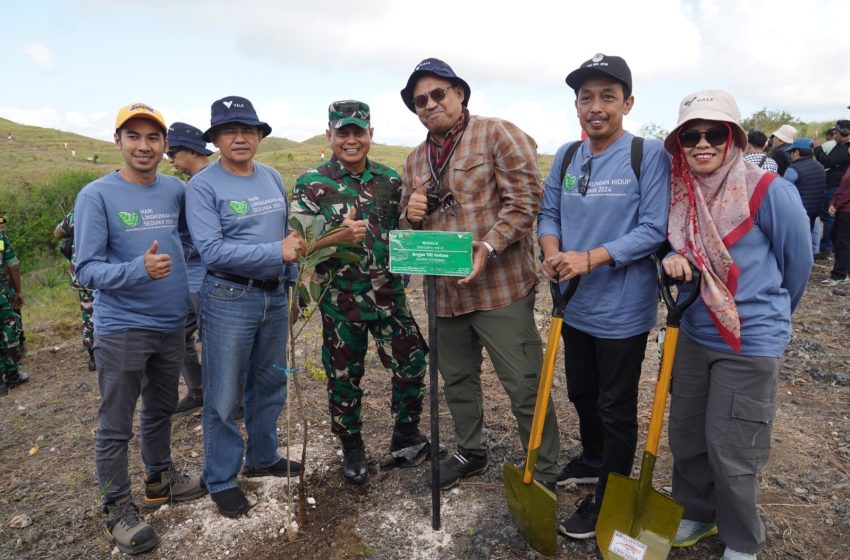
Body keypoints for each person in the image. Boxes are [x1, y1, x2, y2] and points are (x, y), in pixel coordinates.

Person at [661, 90, 812, 560]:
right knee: (686, 433)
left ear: (735, 138)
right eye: (691, 135)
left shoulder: (767, 190)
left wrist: (764, 315)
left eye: (715, 133)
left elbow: (798, 265)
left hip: (749, 339)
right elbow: (677, 248)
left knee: (733, 447)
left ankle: (743, 539)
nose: (702, 144)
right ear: (679, 142)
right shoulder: (680, 191)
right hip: (694, 333)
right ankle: (698, 514)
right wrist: (671, 255)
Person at [397, 58, 560, 492]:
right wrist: (410, 214)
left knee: (524, 384)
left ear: (459, 93)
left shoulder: (497, 133)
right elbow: (406, 223)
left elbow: (526, 202)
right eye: (419, 101)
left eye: (438, 94)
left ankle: (542, 472)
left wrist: (487, 247)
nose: (430, 104)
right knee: (457, 380)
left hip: (500, 290)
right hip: (445, 296)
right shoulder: (414, 161)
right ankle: (471, 450)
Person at [537, 53, 671, 539]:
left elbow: (654, 229)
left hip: (622, 311)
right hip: (574, 304)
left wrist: (589, 258)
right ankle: (594, 458)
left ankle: (610, 493)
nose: (596, 107)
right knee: (581, 392)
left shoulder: (648, 154)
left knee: (616, 406)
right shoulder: (568, 156)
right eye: (586, 97)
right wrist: (553, 252)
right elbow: (548, 212)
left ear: (627, 103)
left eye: (608, 97)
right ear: (576, 106)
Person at [74, 102, 206, 555]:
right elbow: (85, 269)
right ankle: (116, 508)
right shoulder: (96, 195)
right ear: (118, 142)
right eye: (133, 136)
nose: (144, 146)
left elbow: (190, 240)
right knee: (115, 425)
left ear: (165, 145)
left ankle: (160, 479)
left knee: (159, 410)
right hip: (123, 327)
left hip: (171, 325)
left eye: (153, 137)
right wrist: (138, 269)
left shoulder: (173, 189)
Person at [291, 100, 429, 485]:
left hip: (389, 297)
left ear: (371, 135)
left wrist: (416, 218)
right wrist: (337, 236)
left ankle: (405, 434)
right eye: (343, 133)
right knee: (344, 379)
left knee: (411, 367)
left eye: (358, 132)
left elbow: (404, 232)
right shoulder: (311, 184)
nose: (351, 140)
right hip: (341, 302)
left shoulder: (389, 180)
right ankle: (352, 447)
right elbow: (299, 244)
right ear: (330, 136)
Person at [186, 95, 305, 518]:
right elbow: (212, 251)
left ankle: (263, 456)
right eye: (230, 130)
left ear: (259, 136)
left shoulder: (271, 176)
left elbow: (288, 238)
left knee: (270, 382)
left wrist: (290, 286)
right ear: (216, 138)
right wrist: (279, 252)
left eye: (248, 130)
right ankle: (221, 477)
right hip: (228, 297)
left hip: (274, 295)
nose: (240, 137)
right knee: (222, 394)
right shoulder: (202, 186)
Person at [165, 122, 213, 418]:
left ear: (191, 151)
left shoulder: (205, 184)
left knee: (208, 339)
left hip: (206, 279)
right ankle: (200, 390)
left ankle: (217, 395)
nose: (169, 158)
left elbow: (206, 239)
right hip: (191, 279)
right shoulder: (192, 184)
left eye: (173, 152)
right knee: (182, 335)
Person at [54, 211, 96, 371]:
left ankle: (94, 356)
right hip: (106, 270)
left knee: (88, 312)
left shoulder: (76, 213)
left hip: (82, 272)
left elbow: (58, 233)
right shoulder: (112, 204)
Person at [814, 120, 850, 259]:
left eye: (837, 131)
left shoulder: (845, 147)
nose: (834, 134)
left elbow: (828, 161)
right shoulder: (840, 145)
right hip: (834, 185)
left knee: (829, 218)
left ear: (845, 132)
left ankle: (826, 248)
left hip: (835, 186)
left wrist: (818, 149)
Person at [0, 226, 27, 396]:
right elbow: (12, 264)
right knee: (8, 329)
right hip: (2, 294)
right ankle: (11, 375)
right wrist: (18, 291)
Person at [783, 138, 826, 234]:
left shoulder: (793, 169)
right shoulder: (819, 166)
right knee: (807, 235)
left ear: (797, 152)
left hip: (798, 212)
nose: (790, 155)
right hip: (814, 210)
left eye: (791, 152)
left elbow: (783, 191)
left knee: (795, 238)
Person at [825, 142, 850, 285]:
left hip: (846, 210)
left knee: (842, 242)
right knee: (838, 239)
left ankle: (839, 275)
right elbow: (842, 187)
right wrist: (833, 202)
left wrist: (837, 205)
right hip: (842, 208)